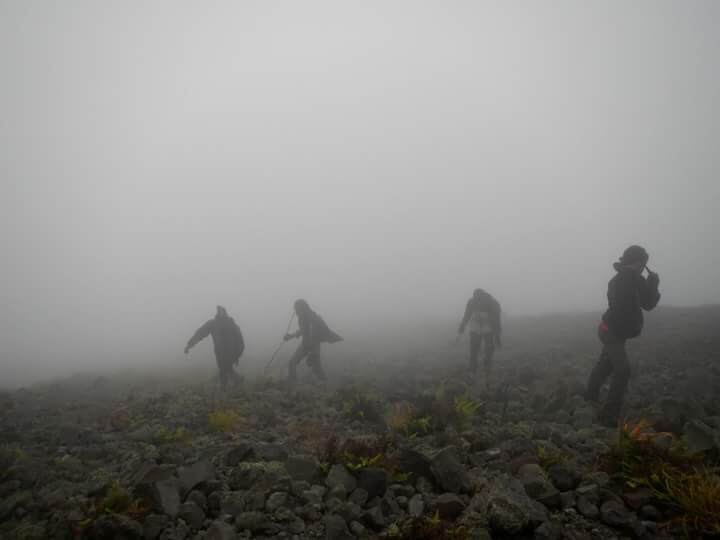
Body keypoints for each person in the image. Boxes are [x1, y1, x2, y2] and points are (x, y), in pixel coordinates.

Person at [585, 245, 661, 427]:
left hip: (615, 333)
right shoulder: (621, 280)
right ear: (637, 262)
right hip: (610, 331)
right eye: (642, 264)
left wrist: (652, 285)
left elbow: (648, 304)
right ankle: (609, 418)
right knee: (622, 370)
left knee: (606, 366)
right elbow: (626, 305)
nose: (643, 267)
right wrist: (647, 284)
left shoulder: (633, 279)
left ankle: (588, 398)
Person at [185, 306, 245, 389]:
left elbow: (240, 340)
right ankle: (235, 381)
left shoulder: (230, 324)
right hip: (220, 351)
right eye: (219, 312)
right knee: (224, 368)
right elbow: (200, 333)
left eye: (221, 312)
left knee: (224, 368)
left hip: (231, 351)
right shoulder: (214, 324)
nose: (220, 314)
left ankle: (225, 387)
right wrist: (189, 344)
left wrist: (238, 353)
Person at [284, 299, 342, 383]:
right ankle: (291, 381)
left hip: (313, 346)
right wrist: (291, 336)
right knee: (292, 362)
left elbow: (312, 335)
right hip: (305, 344)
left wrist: (312, 353)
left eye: (297, 309)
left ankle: (325, 384)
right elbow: (303, 330)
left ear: (302, 308)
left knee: (316, 367)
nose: (296, 311)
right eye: (295, 309)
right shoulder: (302, 318)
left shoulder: (313, 319)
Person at [458, 288, 502, 389]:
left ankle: (484, 372)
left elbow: (496, 320)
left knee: (483, 351)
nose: (478, 302)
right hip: (478, 328)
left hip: (486, 328)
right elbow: (467, 315)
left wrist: (497, 336)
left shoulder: (491, 304)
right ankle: (476, 372)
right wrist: (462, 326)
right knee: (476, 351)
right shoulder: (473, 302)